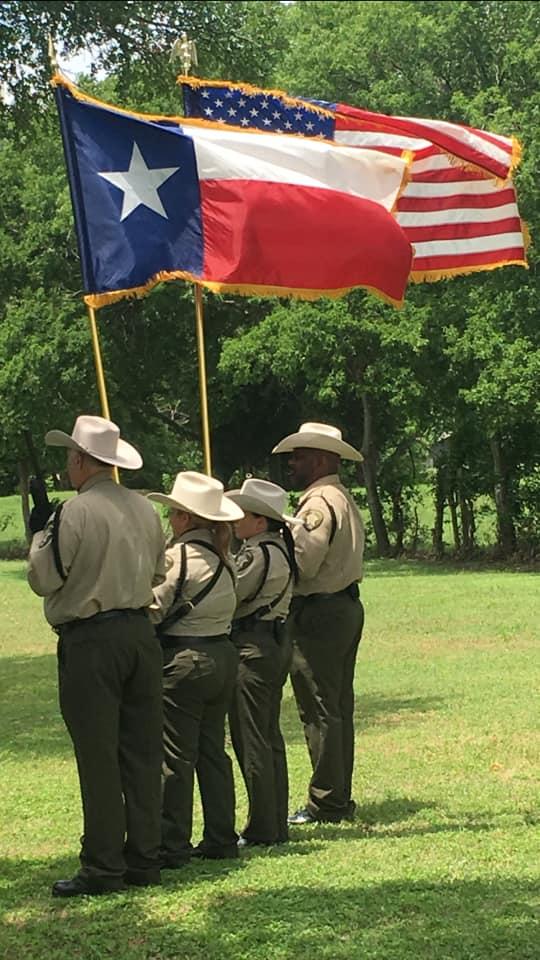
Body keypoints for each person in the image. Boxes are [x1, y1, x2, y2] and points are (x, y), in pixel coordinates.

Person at [27, 415, 166, 897]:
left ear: (83, 460)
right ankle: (145, 856)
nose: (68, 465)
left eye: (70, 457)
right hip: (140, 634)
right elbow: (158, 573)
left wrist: (37, 536)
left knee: (99, 755)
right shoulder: (147, 510)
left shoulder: (75, 512)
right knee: (143, 752)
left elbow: (44, 579)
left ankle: (104, 863)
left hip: (91, 639)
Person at [147, 471, 244, 865]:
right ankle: (221, 836)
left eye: (173, 514)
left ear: (186, 519)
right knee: (212, 752)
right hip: (222, 655)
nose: (170, 520)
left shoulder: (178, 558)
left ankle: (172, 842)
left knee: (175, 755)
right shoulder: (227, 561)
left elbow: (154, 609)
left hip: (185, 660)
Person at [272, 422, 365, 825]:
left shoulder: (317, 503)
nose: (292, 463)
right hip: (344, 607)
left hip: (319, 613)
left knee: (319, 708)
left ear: (323, 459)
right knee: (338, 705)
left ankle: (326, 801)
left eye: (301, 455)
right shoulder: (341, 497)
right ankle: (337, 795)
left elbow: (304, 564)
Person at [225, 479, 300, 847]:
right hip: (273, 642)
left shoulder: (257, 554)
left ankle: (262, 827)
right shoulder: (279, 549)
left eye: (244, 514)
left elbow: (232, 595)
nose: (236, 520)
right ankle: (274, 822)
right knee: (268, 736)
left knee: (251, 735)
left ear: (260, 521)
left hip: (253, 645)